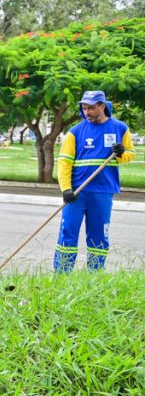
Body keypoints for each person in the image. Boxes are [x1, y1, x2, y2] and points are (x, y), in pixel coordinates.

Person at [54, 91, 135, 273]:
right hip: (77, 193)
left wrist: (122, 152)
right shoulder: (75, 132)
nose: (87, 112)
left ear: (102, 106)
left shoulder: (120, 128)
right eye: (84, 108)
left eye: (91, 108)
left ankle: (94, 275)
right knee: (68, 233)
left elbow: (130, 155)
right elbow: (64, 162)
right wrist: (66, 189)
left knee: (99, 236)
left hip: (103, 191)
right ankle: (61, 275)